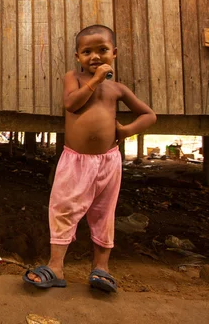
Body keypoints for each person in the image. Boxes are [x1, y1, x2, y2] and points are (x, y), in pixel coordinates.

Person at [23, 25, 156, 292]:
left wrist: (125, 131)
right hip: (75, 161)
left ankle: (101, 268)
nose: (94, 56)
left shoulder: (118, 89)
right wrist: (95, 80)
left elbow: (149, 115)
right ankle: (56, 267)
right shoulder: (73, 78)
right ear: (77, 56)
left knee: (103, 212)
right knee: (63, 208)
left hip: (108, 161)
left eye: (102, 50)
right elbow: (72, 104)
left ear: (114, 53)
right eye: (87, 52)